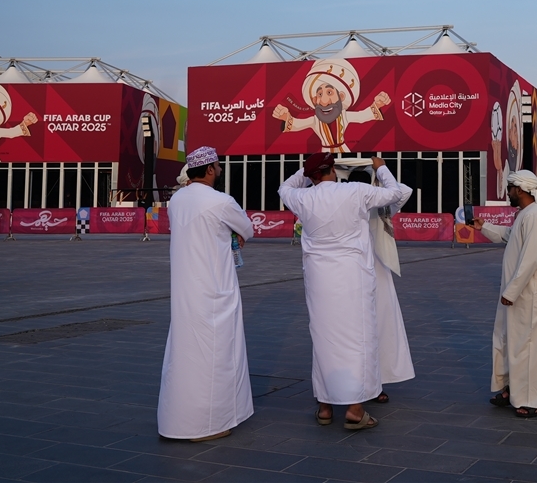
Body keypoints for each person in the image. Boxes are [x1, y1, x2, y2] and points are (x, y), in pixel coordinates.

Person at [279, 153, 404, 431]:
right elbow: (395, 193)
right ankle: (355, 410)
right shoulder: (355, 191)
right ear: (332, 169)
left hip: (319, 280)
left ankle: (325, 407)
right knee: (358, 338)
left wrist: (304, 171)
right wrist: (380, 168)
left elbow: (284, 188)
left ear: (312, 175)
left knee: (323, 338)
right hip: (353, 276)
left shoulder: (302, 198)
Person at [158, 146, 254, 442]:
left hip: (185, 288)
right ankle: (206, 423)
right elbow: (247, 229)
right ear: (210, 169)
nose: (220, 171)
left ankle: (179, 419)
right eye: (218, 166)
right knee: (215, 353)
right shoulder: (221, 201)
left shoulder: (177, 199)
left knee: (185, 352)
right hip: (214, 288)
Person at [472, 170, 537, 418]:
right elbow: (512, 237)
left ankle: (536, 399)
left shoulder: (535, 216)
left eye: (510, 188)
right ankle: (512, 389)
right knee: (511, 341)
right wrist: (485, 227)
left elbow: (531, 258)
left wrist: (512, 291)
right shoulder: (526, 214)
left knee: (529, 345)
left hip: (528, 294)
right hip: (518, 294)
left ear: (520, 190)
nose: (508, 192)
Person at [348, 168, 415, 403]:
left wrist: (378, 177)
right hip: (355, 272)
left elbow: (402, 192)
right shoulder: (345, 205)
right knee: (357, 331)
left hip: (375, 270)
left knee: (378, 329)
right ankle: (356, 383)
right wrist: (381, 170)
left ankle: (375, 382)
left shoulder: (379, 203)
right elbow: (401, 190)